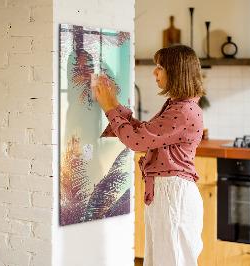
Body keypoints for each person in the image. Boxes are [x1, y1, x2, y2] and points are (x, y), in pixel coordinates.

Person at [93, 44, 205, 266]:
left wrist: (108, 108)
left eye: (160, 67)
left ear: (176, 72)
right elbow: (144, 133)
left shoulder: (182, 111)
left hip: (173, 196)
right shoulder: (178, 106)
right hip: (168, 193)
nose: (154, 72)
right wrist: (114, 104)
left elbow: (136, 141)